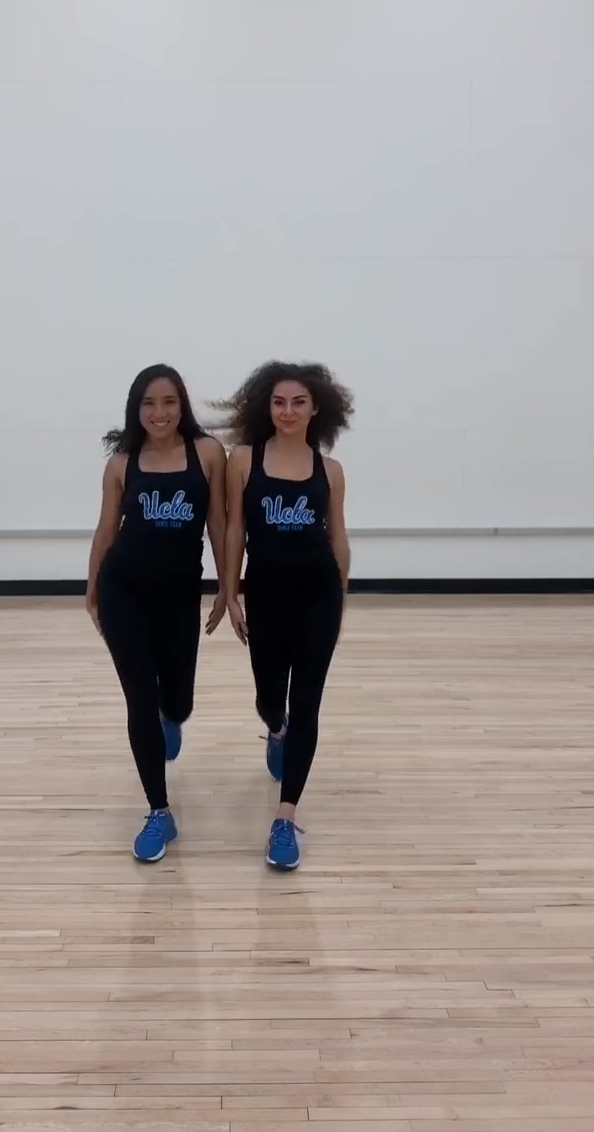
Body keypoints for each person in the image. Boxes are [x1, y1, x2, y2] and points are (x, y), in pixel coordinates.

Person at [86, 364, 227, 863]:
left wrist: (228, 588)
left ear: (181, 405)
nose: (159, 412)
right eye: (149, 403)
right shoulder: (122, 464)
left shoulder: (207, 454)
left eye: (168, 402)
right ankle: (158, 812)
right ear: (136, 409)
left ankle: (174, 716)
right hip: (124, 591)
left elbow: (219, 524)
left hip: (179, 597)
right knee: (140, 699)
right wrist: (92, 588)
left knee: (179, 700)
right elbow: (106, 531)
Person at [222, 361, 353, 870]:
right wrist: (230, 591)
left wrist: (341, 595)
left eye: (299, 402)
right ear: (267, 407)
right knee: (269, 695)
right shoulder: (243, 460)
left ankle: (285, 817)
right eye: (279, 402)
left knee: (308, 701)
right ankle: (275, 728)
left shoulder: (330, 470)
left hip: (318, 593)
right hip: (266, 594)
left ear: (316, 409)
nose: (288, 411)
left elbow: (338, 536)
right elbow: (235, 529)